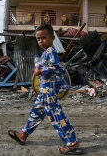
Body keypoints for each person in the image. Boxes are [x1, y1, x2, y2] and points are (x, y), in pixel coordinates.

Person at [8, 24, 83, 155]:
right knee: (36, 111)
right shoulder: (44, 54)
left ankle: (72, 142)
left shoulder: (51, 52)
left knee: (56, 116)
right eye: (38, 38)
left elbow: (56, 68)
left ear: (52, 37)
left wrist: (39, 70)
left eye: (44, 37)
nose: (41, 41)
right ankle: (23, 135)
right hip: (44, 91)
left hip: (49, 91)